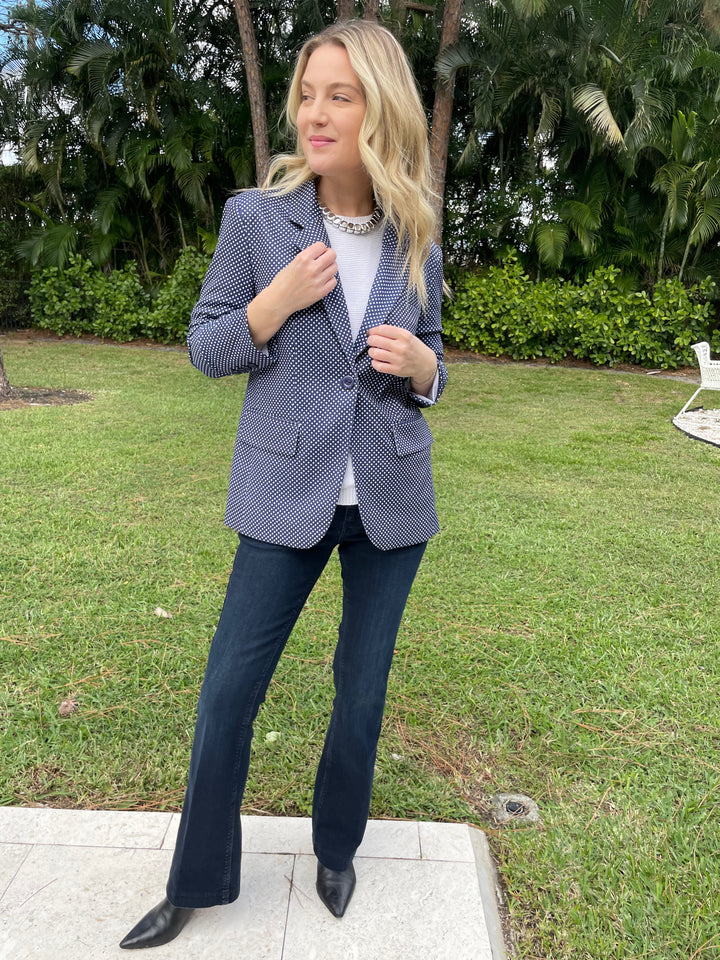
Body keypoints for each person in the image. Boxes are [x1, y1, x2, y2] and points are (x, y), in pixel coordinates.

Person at [119, 18, 447, 950]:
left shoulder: (415, 227)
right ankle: (192, 885)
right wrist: (274, 304)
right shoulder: (256, 221)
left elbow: (438, 366)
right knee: (229, 691)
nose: (314, 112)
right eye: (308, 92)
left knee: (362, 689)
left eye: (338, 95)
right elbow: (208, 345)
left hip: (389, 496)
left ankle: (336, 849)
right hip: (282, 495)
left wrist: (425, 369)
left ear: (379, 108)